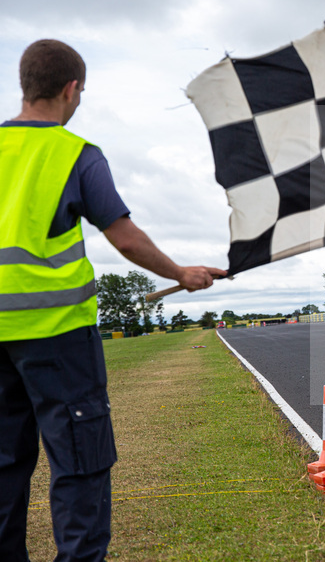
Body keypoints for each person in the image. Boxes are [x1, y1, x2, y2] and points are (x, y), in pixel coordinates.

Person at [0, 40, 225, 561]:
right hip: (57, 335)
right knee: (79, 460)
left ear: (24, 84)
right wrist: (181, 274)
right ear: (71, 88)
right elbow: (123, 237)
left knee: (5, 464)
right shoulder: (76, 153)